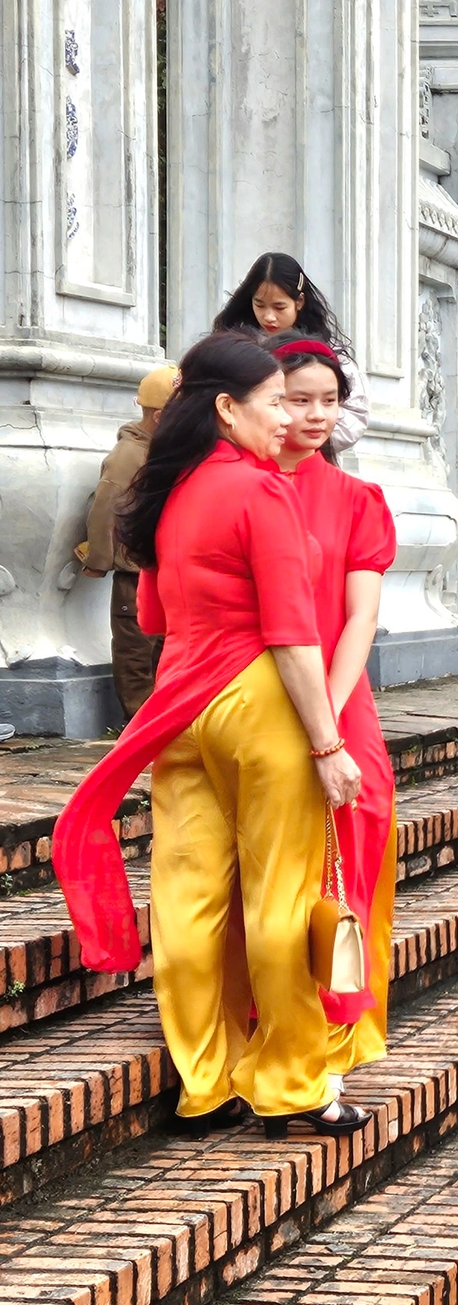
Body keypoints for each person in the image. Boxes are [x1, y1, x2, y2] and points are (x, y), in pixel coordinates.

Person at [52, 332, 369, 1136]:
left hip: (178, 701)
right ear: (228, 409)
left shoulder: (167, 490)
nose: (287, 417)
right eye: (275, 403)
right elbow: (294, 634)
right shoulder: (262, 493)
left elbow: (153, 615)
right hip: (258, 698)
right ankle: (293, 1083)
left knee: (189, 897)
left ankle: (205, 1081)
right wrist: (329, 744)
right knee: (279, 896)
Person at [270, 335, 399, 1077]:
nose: (316, 415)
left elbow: (361, 617)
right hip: (255, 693)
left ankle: (340, 1022)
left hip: (340, 696)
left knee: (352, 841)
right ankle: (265, 1017)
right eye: (297, 399)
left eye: (329, 399)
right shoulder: (241, 487)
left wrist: (330, 711)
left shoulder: (356, 498)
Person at [78, 364, 177, 716]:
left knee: (164, 649)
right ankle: (139, 723)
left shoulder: (163, 452)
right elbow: (105, 508)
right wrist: (98, 561)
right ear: (162, 416)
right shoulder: (130, 456)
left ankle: (163, 723)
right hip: (134, 573)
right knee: (136, 653)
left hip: (162, 569)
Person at [212, 252, 368, 451]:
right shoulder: (234, 347)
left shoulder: (326, 353)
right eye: (259, 305)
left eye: (279, 307)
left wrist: (300, 442)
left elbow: (355, 412)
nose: (268, 316)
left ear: (299, 301)